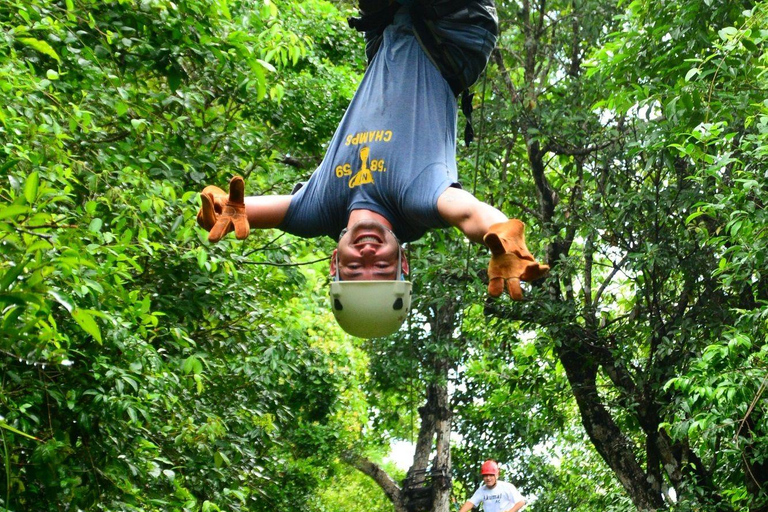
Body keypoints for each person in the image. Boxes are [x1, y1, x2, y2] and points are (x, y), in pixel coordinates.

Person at [196, 0, 549, 337]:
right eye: (381, 268)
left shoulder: (317, 211)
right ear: (403, 264)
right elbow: (469, 215)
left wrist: (224, 206)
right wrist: (501, 238)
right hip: (453, 35)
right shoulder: (417, 201)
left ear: (335, 262)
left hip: (388, 32)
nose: (367, 255)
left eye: (353, 269)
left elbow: (241, 211)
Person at [458, 460, 526, 512]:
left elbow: (521, 501)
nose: (488, 478)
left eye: (491, 475)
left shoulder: (507, 487)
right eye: (485, 475)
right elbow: (470, 503)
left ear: (497, 475)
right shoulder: (481, 491)